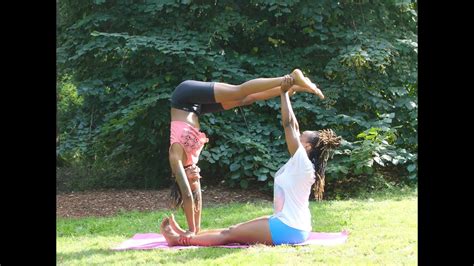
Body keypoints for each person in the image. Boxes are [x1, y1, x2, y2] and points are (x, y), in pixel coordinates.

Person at [161, 75, 341, 246]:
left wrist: (285, 91)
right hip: (293, 227)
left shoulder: (175, 155)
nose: (196, 174)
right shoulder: (302, 164)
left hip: (183, 96)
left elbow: (290, 126)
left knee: (239, 92)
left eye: (302, 136)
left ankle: (290, 79)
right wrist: (193, 229)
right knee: (244, 98)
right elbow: (192, 194)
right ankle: (290, 84)